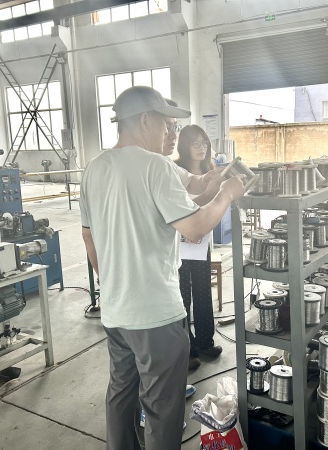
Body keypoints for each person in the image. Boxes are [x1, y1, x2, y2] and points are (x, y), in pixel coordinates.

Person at [80, 85, 245, 450]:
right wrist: (227, 194)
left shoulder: (94, 168)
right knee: (162, 409)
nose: (170, 132)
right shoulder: (155, 166)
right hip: (155, 315)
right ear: (144, 121)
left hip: (116, 313)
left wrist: (111, 282)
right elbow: (195, 226)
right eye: (166, 124)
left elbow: (88, 236)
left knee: (121, 395)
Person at [174, 125, 222, 370]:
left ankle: (205, 342)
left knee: (203, 291)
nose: (201, 148)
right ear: (184, 145)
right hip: (180, 244)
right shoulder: (175, 171)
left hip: (202, 242)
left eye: (204, 143)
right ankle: (188, 348)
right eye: (195, 143)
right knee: (183, 295)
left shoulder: (210, 171)